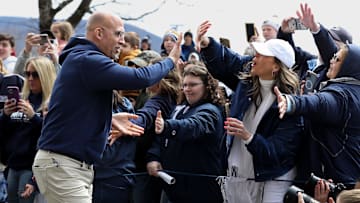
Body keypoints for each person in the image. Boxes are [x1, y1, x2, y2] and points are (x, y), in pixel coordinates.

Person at [31, 11, 182, 203]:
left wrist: (109, 118)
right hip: (63, 165)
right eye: (118, 34)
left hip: (70, 166)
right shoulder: (87, 60)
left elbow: (74, 112)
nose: (121, 40)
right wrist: (170, 60)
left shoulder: (82, 59)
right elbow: (140, 78)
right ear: (99, 33)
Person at [196, 20, 303, 203]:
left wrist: (248, 137)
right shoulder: (248, 77)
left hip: (272, 177)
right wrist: (207, 43)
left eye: (262, 55)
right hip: (236, 171)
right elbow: (228, 61)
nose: (254, 57)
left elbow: (278, 152)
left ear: (276, 66)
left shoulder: (291, 105)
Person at [275, 43, 360, 191]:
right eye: (333, 57)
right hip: (342, 177)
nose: (331, 61)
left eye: (337, 59)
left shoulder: (343, 96)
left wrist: (292, 102)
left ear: (349, 66)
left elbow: (322, 103)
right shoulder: (351, 90)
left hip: (337, 183)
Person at [147, 63, 226, 203]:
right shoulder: (180, 108)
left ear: (207, 86)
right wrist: (154, 157)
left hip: (199, 191)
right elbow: (161, 139)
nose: (187, 89)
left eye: (193, 85)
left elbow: (193, 126)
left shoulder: (210, 111)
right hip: (173, 186)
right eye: (185, 85)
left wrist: (167, 126)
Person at [0, 56, 57, 203]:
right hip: (13, 164)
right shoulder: (22, 99)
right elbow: (5, 132)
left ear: (45, 75)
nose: (30, 78)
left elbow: (52, 134)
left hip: (33, 166)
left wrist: (34, 117)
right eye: (27, 74)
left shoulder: (52, 102)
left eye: (35, 74)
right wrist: (5, 115)